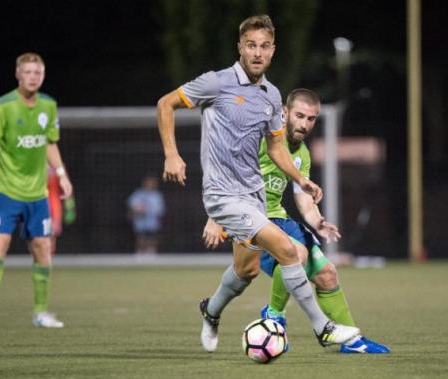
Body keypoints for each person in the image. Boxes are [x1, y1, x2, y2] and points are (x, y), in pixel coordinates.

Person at [157, 14, 360, 353]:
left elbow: (277, 148)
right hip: (223, 195)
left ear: (273, 51)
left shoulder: (271, 96)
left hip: (254, 196)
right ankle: (323, 328)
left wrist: (300, 180)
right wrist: (171, 155)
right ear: (240, 47)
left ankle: (211, 310)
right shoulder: (216, 83)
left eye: (264, 46)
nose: (257, 53)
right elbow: (166, 104)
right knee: (289, 250)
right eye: (251, 45)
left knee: (246, 271)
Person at [203, 88, 390, 353]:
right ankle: (273, 315)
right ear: (285, 112)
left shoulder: (301, 151)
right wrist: (214, 216)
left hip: (277, 217)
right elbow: (226, 171)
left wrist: (317, 221)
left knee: (327, 273)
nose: (304, 124)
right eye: (299, 116)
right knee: (284, 259)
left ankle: (352, 342)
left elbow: (301, 195)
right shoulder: (258, 137)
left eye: (311, 119)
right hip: (248, 216)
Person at [0, 52, 73, 329]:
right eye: (27, 72)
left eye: (37, 73)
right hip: (5, 192)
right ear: (18, 75)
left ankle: (41, 313)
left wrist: (62, 174)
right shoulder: (2, 107)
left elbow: (50, 142)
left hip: (37, 194)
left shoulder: (49, 106)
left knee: (42, 248)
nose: (32, 77)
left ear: (43, 75)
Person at [127, 175, 165, 255]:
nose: (150, 184)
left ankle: (152, 254)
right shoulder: (137, 194)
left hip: (152, 223)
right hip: (140, 223)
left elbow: (160, 210)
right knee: (141, 239)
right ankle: (140, 255)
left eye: (152, 183)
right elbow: (131, 207)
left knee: (152, 240)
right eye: (148, 182)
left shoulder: (157, 195)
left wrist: (148, 210)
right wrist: (137, 210)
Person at [47, 166, 76, 255]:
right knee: (39, 237)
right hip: (40, 203)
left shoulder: (59, 167)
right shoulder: (36, 163)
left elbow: (67, 189)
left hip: (54, 206)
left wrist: (70, 208)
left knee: (51, 235)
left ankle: (47, 261)